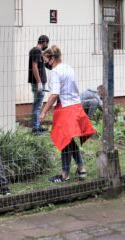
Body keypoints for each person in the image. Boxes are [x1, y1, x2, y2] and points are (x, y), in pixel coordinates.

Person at [40, 45, 96, 183]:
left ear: (52, 59)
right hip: (76, 106)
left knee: (64, 140)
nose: (45, 64)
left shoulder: (55, 72)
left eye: (45, 61)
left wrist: (43, 111)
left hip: (65, 108)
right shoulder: (68, 68)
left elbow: (54, 94)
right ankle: (81, 168)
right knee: (69, 139)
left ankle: (64, 174)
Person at [28, 34, 50, 134]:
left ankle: (37, 126)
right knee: (37, 105)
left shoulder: (36, 51)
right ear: (44, 42)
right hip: (38, 82)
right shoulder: (37, 51)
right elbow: (34, 67)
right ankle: (35, 128)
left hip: (37, 82)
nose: (47, 46)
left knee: (38, 104)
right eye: (47, 43)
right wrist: (39, 82)